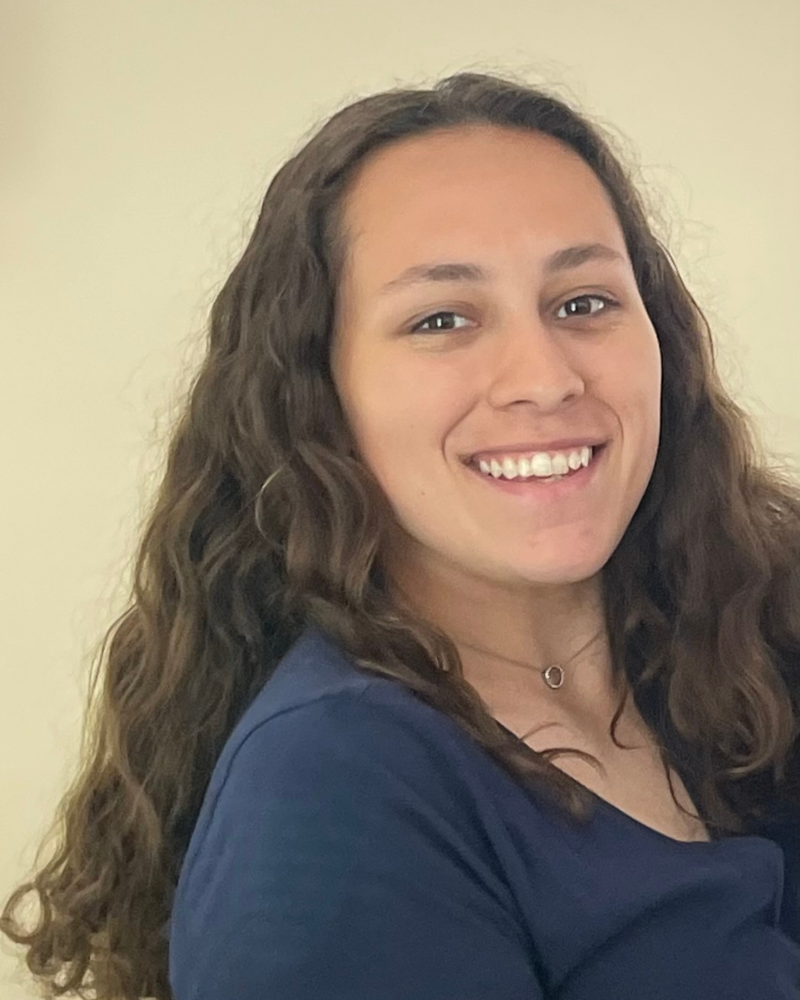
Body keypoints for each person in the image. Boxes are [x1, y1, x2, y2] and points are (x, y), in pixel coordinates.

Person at [2, 70, 798, 1000]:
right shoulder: (329, 797)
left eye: (583, 302)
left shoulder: (746, 621)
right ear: (321, 395)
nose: (543, 377)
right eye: (442, 319)